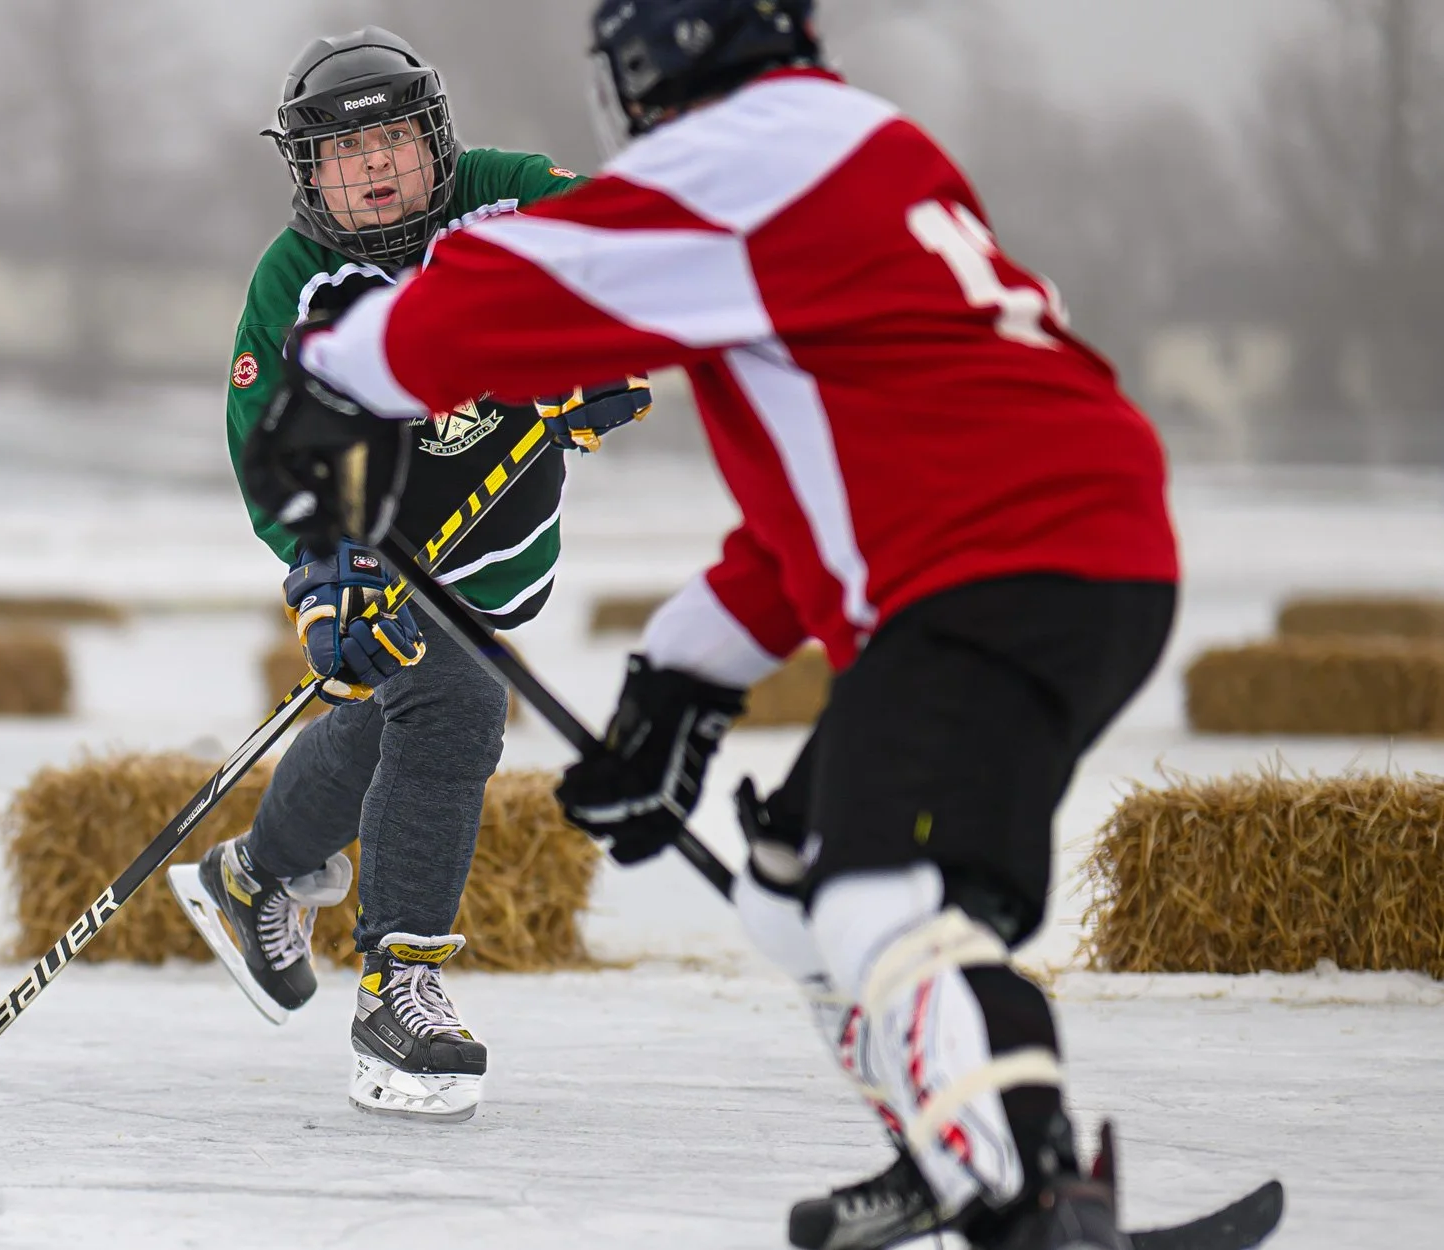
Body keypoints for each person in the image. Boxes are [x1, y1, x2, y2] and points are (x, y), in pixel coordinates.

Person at [237, 1, 1181, 1246]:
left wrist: (340, 385)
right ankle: (941, 1137)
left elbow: (504, 297)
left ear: (645, 67)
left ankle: (1030, 1201)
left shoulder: (739, 162)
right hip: (1067, 538)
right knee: (793, 874)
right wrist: (685, 676)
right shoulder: (858, 144)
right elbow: (818, 489)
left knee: (877, 891)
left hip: (994, 560)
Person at [182, 25, 649, 1124]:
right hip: (381, 544)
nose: (374, 165)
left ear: (433, 139)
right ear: (310, 172)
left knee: (408, 709)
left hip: (499, 543)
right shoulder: (294, 283)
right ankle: (398, 992)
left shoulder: (508, 197)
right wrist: (322, 578)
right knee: (452, 698)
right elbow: (269, 452)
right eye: (345, 153)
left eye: (392, 136)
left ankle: (252, 873)